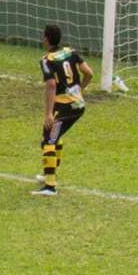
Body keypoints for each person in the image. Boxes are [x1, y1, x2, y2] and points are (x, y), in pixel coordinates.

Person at [32, 24, 94, 197]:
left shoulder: (47, 60)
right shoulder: (70, 51)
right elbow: (89, 73)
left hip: (64, 107)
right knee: (55, 136)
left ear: (46, 38)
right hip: (78, 106)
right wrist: (79, 90)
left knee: (48, 140)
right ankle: (48, 174)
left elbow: (51, 85)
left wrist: (48, 114)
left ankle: (50, 186)